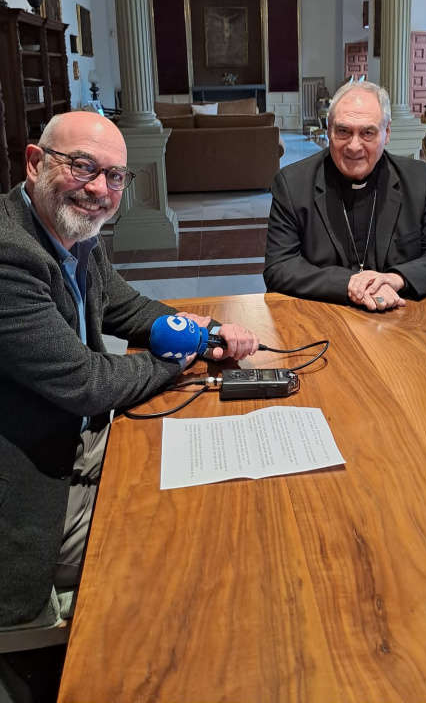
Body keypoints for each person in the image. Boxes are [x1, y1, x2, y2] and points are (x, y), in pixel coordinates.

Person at [0, 111, 258, 627]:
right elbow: (89, 383)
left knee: (214, 465)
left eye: (115, 176)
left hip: (74, 436)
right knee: (181, 532)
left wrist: (205, 333)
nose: (99, 189)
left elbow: (126, 308)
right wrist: (181, 358)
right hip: (29, 489)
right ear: (34, 163)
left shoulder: (71, 234)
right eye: (82, 166)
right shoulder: (10, 256)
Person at [264, 81, 426, 310]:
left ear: (386, 133)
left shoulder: (417, 180)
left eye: (368, 133)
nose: (354, 146)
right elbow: (279, 266)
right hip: (323, 315)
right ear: (329, 129)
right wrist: (350, 284)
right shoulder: (292, 184)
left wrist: (395, 279)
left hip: (397, 320)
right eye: (343, 131)